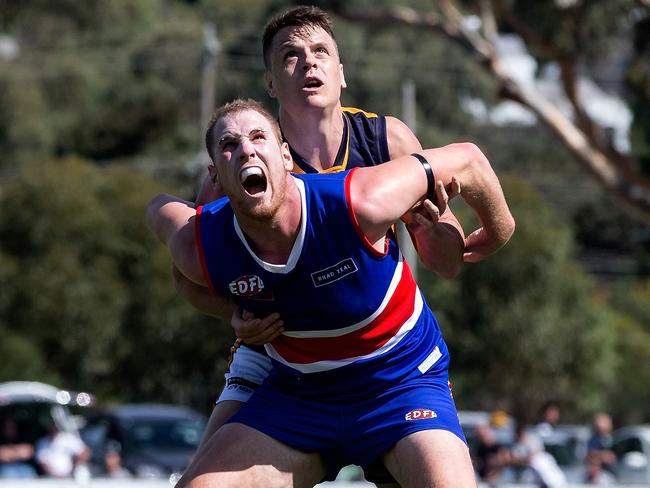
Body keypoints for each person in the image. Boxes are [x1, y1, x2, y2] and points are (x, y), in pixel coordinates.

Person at [147, 98, 515, 487]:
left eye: (258, 137)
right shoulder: (201, 242)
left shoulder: (356, 200)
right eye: (229, 145)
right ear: (215, 177)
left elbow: (468, 159)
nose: (246, 150)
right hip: (299, 394)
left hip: (400, 383)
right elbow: (159, 214)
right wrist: (232, 310)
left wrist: (499, 229)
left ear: (286, 157)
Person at [179, 8, 467, 484]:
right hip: (280, 356)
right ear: (271, 83)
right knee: (198, 477)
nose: (308, 64)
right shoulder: (239, 164)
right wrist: (231, 314)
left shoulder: (387, 140)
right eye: (291, 56)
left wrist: (432, 228)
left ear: (341, 73)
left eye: (320, 53)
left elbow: (448, 262)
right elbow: (188, 276)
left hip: (384, 359)